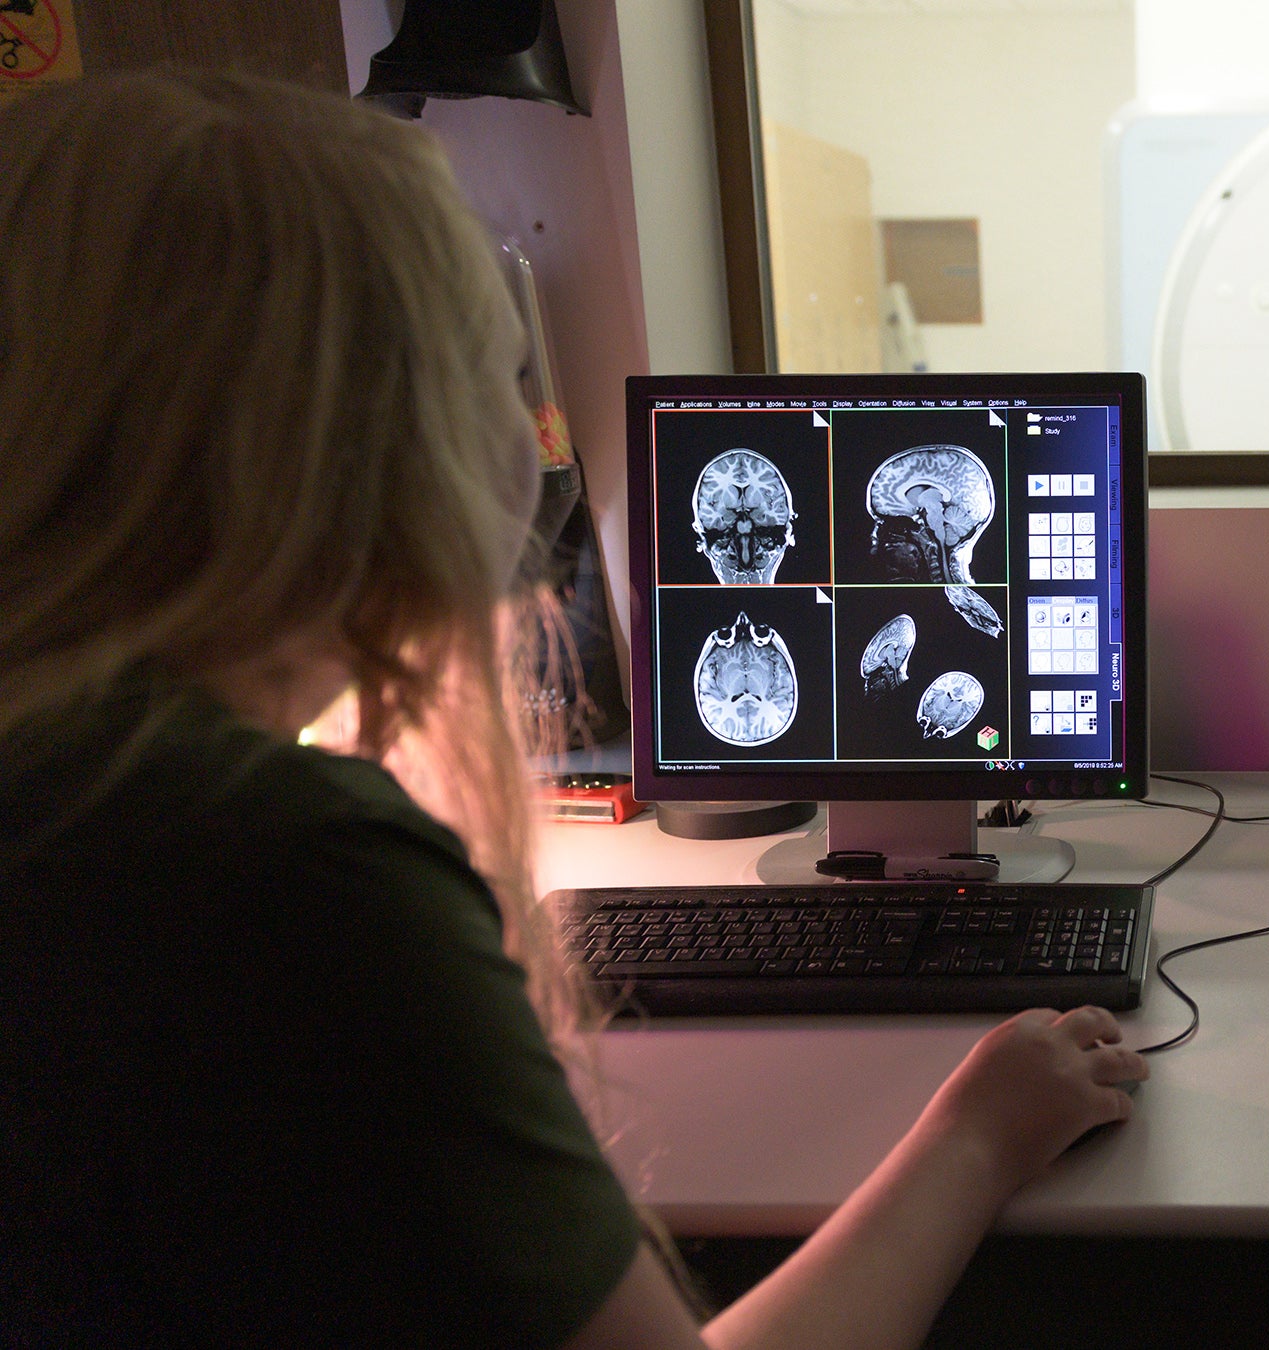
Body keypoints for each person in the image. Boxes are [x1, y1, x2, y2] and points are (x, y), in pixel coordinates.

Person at [0, 70, 1145, 1349]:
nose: (539, 434)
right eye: (505, 371)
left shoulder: (86, 791)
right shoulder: (287, 873)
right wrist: (980, 1134)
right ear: (373, 434)